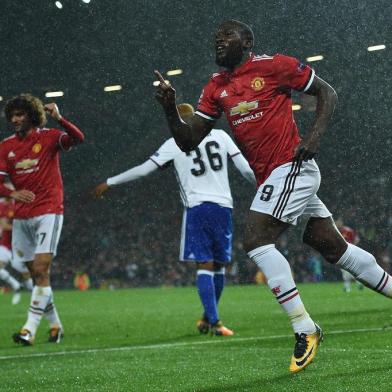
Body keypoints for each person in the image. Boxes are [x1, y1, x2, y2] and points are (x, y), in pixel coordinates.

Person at [154, 19, 392, 373]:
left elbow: (328, 92)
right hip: (274, 176)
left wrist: (314, 138)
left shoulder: (275, 66)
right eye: (216, 38)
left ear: (247, 42)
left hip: (291, 166)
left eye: (227, 37)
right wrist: (170, 108)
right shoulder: (216, 87)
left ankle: (304, 328)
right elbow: (188, 141)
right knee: (329, 245)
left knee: (256, 239)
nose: (219, 41)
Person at [92, 103, 255, 336]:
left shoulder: (175, 143)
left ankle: (215, 322)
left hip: (198, 208)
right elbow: (246, 169)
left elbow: (144, 169)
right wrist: (263, 189)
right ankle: (210, 319)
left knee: (205, 265)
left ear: (178, 123)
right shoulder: (220, 136)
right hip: (223, 208)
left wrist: (111, 181)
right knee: (219, 266)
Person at [0, 94, 85, 345]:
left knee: (40, 269)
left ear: (32, 115)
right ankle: (56, 325)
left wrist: (59, 118)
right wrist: (12, 192)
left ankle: (29, 329)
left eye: (20, 114)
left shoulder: (49, 137)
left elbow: (78, 138)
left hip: (49, 210)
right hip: (22, 217)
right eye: (12, 115)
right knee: (35, 275)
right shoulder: (6, 146)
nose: (15, 119)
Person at [335, 217, 363, 292]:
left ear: (342, 222)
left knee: (347, 270)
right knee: (347, 270)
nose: (338, 223)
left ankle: (347, 288)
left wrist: (352, 247)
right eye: (337, 222)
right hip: (340, 254)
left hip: (349, 253)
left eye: (339, 221)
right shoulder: (335, 231)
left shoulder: (348, 230)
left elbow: (356, 239)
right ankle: (358, 283)